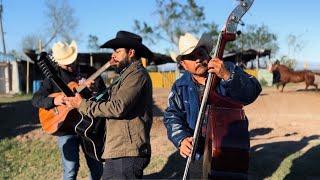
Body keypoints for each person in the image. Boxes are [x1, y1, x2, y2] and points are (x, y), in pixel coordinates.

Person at [164, 33, 262, 179]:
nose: (197, 59)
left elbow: (253, 91)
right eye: (190, 57)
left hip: (228, 151)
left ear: (207, 53)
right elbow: (172, 116)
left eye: (200, 53)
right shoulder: (179, 86)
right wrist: (181, 139)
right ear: (183, 64)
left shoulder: (227, 69)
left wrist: (228, 76)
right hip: (197, 154)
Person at [64, 31, 154, 179]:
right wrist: (94, 93)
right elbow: (110, 104)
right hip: (118, 149)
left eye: (118, 51)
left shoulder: (137, 75)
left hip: (127, 151)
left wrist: (82, 105)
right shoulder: (125, 76)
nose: (113, 56)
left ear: (131, 52)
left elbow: (118, 107)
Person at [32, 40, 105, 180]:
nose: (71, 65)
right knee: (70, 169)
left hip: (89, 126)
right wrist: (55, 101)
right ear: (58, 62)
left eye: (72, 61)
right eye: (67, 63)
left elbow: (104, 95)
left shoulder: (89, 71)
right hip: (66, 128)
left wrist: (95, 89)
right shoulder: (53, 77)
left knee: (96, 167)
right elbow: (36, 99)